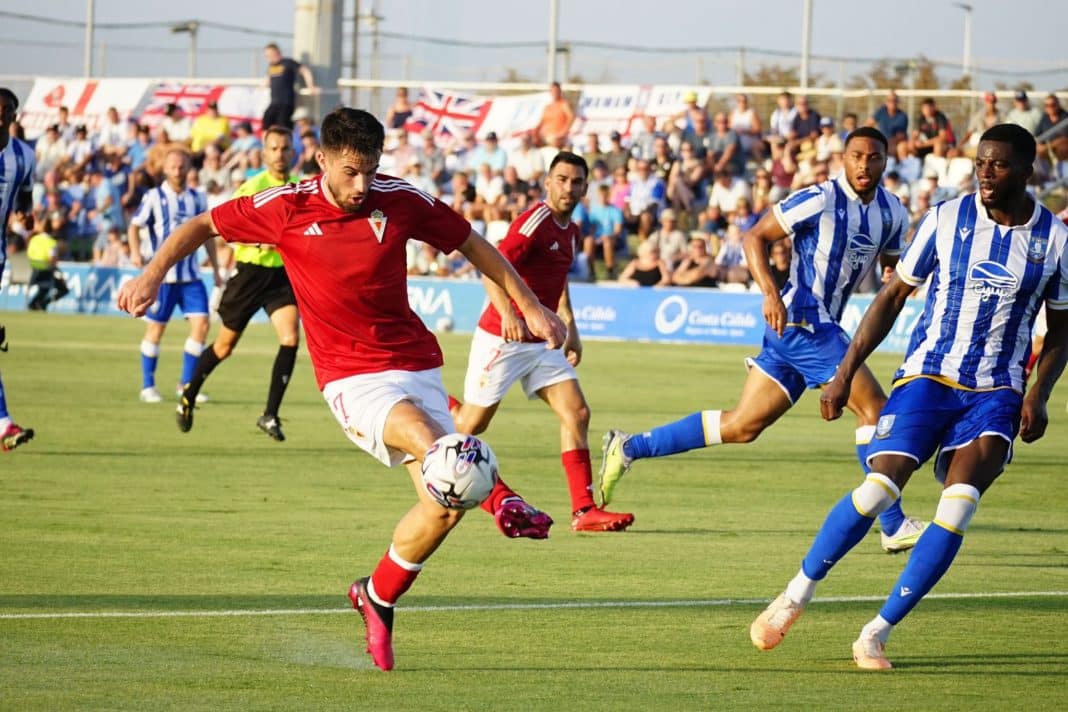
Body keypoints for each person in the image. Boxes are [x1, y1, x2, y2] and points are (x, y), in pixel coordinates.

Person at [115, 107, 567, 672]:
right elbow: (201, 225)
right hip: (351, 377)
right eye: (351, 171)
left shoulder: (399, 198)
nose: (361, 186)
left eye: (371, 171)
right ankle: (504, 499)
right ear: (322, 159)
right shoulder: (286, 206)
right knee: (432, 443)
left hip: (414, 360)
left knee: (444, 505)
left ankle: (377, 596)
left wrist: (531, 305)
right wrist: (151, 274)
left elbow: (473, 243)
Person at [750, 123, 1068, 670]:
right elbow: (894, 294)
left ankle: (876, 633)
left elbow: (1061, 327)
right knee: (878, 488)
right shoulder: (946, 218)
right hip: (928, 376)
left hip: (997, 391)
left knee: (958, 506)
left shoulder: (1055, 240)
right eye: (980, 163)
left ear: (1026, 170)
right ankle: (795, 594)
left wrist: (1039, 392)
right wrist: (845, 372)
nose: (985, 173)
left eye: (997, 164)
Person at [601, 127, 926, 553]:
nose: (864, 165)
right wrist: (770, 293)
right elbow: (755, 235)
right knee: (874, 409)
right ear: (843, 158)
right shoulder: (820, 199)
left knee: (742, 426)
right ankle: (893, 523)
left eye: (874, 157)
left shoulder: (893, 212)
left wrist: (891, 272)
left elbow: (890, 261)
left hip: (810, 328)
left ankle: (629, 447)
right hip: (802, 320)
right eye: (856, 156)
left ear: (886, 161)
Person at [450, 152, 635, 533]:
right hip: (504, 338)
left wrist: (571, 326)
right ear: (548, 182)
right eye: (562, 180)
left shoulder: (571, 230)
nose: (569, 188)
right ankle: (435, 405)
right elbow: (490, 265)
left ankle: (584, 511)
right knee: (472, 424)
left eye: (576, 182)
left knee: (577, 413)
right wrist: (508, 313)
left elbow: (558, 277)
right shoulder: (534, 222)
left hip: (542, 342)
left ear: (585, 187)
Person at [176, 126, 302, 441]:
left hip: (281, 277)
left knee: (290, 338)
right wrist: (262, 241)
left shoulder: (301, 188)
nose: (280, 154)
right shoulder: (252, 188)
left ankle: (270, 415)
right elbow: (226, 229)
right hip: (250, 274)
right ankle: (189, 394)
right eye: (274, 148)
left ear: (293, 152)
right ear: (264, 153)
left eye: (285, 148)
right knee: (224, 347)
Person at [128, 148, 221, 403]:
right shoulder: (153, 197)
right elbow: (134, 226)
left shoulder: (197, 198)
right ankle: (148, 386)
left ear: (189, 168)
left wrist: (215, 269)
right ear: (165, 169)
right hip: (163, 280)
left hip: (191, 277)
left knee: (202, 326)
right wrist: (135, 252)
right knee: (156, 329)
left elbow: (208, 234)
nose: (178, 171)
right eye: (173, 166)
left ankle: (186, 385)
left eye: (182, 166)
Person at [0, 87, 36, 451]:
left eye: (4, 110)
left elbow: (25, 197)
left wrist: (26, 215)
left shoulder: (23, 156)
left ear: (14, 116)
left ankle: (3, 424)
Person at [262, 43, 317, 130]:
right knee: (267, 120)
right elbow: (267, 80)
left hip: (286, 102)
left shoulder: (288, 63)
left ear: (277, 52)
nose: (269, 57)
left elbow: (305, 71)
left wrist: (311, 86)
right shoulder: (271, 66)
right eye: (267, 56)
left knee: (283, 125)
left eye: (271, 54)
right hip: (274, 102)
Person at [26, 228, 69, 311]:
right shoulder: (51, 242)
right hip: (46, 272)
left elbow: (28, 254)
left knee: (44, 287)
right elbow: (52, 259)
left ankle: (34, 304)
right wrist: (57, 271)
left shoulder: (33, 239)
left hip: (32, 272)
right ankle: (43, 303)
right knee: (64, 289)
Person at [535, 82, 574, 147]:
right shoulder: (547, 107)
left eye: (556, 91)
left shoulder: (564, 104)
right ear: (550, 92)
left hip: (556, 137)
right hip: (545, 136)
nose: (555, 93)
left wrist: (563, 132)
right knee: (528, 139)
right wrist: (535, 132)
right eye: (553, 91)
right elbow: (541, 122)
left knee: (553, 141)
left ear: (560, 91)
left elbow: (571, 117)